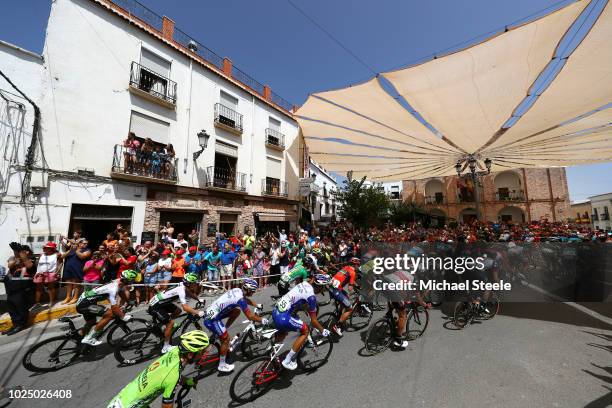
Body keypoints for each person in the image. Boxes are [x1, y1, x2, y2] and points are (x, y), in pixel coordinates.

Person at [107, 330, 210, 408]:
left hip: (123, 398)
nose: (206, 354)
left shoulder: (174, 351)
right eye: (203, 352)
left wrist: (186, 381)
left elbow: (166, 376)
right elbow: (166, 405)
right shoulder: (173, 376)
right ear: (191, 354)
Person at [203, 278, 267, 372]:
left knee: (236, 311)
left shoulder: (237, 290)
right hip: (212, 319)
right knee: (226, 340)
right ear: (248, 289)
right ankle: (222, 365)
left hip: (213, 313)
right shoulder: (240, 299)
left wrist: (256, 305)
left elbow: (246, 300)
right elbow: (250, 316)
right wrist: (262, 320)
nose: (253, 293)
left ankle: (223, 330)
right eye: (252, 291)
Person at [272, 274, 331, 370]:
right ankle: (287, 360)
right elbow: (314, 321)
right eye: (324, 288)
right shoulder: (311, 297)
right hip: (283, 317)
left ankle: (273, 354)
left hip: (276, 311)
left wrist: (304, 308)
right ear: (320, 287)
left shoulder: (304, 283)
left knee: (284, 331)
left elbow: (297, 298)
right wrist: (323, 330)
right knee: (306, 330)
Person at [77, 270, 137, 346]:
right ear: (126, 281)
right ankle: (89, 338)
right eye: (132, 280)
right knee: (110, 314)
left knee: (92, 321)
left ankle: (79, 337)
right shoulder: (113, 288)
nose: (132, 282)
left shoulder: (118, 282)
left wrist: (128, 301)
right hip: (85, 304)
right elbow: (114, 307)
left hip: (85, 301)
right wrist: (123, 316)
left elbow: (121, 292)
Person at [148, 273, 204, 353]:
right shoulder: (181, 290)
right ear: (189, 283)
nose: (195, 284)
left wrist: (198, 299)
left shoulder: (182, 285)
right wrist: (197, 312)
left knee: (178, 311)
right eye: (194, 283)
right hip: (155, 306)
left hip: (161, 302)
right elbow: (185, 308)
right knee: (170, 323)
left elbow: (189, 293)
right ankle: (166, 347)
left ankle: (164, 325)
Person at [2, 243, 35, 335]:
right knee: (11, 307)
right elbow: (10, 265)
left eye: (19, 251)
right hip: (11, 287)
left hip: (21, 288)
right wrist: (17, 257)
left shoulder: (30, 259)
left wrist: (21, 253)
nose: (16, 252)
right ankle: (15, 324)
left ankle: (21, 324)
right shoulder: (14, 258)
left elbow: (29, 266)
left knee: (20, 307)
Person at [328, 257, 360, 337]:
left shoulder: (345, 268)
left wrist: (354, 284)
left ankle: (339, 314)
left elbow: (345, 278)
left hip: (330, 287)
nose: (358, 267)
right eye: (358, 265)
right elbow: (350, 288)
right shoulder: (353, 272)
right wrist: (356, 289)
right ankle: (337, 326)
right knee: (350, 308)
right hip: (336, 290)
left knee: (346, 296)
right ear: (356, 265)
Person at [59, 238, 91, 304]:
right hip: (68, 269)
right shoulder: (72, 249)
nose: (86, 245)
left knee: (76, 284)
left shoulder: (87, 250)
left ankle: (75, 297)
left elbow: (82, 256)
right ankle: (68, 297)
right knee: (68, 284)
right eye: (84, 243)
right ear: (79, 244)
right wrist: (70, 250)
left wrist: (76, 250)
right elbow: (62, 256)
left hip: (77, 269)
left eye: (87, 244)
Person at [32, 242, 60, 308]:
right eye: (44, 247)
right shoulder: (41, 255)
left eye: (45, 247)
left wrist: (57, 272)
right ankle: (37, 302)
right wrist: (38, 271)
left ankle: (51, 302)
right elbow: (38, 263)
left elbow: (61, 263)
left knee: (51, 288)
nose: (43, 248)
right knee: (38, 288)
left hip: (50, 273)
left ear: (51, 249)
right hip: (40, 273)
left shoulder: (56, 255)